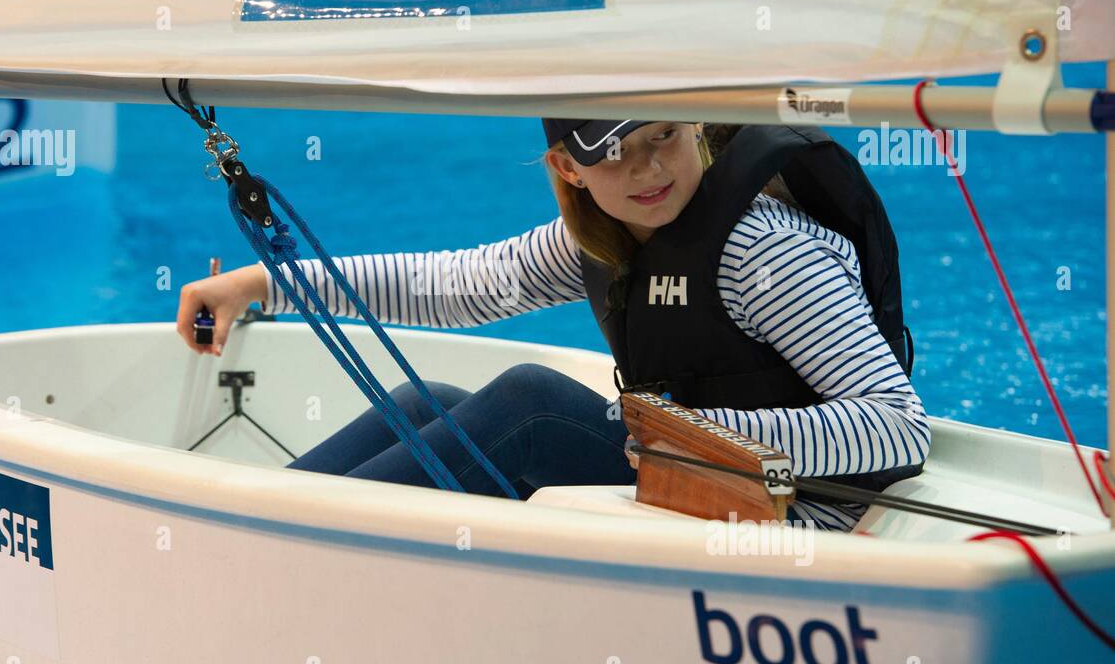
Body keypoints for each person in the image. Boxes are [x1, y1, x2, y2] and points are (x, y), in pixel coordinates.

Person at [176, 120, 929, 531]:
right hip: (692, 473)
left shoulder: (762, 249)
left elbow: (897, 430)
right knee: (418, 405)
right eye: (615, 157)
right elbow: (456, 285)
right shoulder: (606, 235)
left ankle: (266, 543)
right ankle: (246, 523)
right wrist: (262, 282)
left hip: (796, 511)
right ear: (569, 170)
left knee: (529, 404)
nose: (647, 171)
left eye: (663, 137)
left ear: (694, 123)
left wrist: (689, 429)